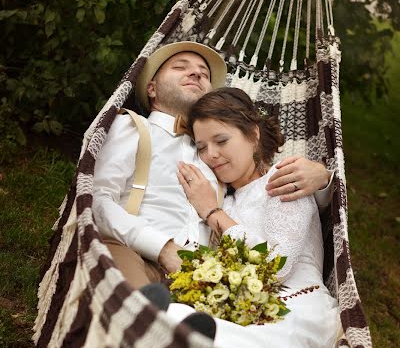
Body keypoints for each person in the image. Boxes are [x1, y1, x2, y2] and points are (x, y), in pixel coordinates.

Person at [92, 41, 333, 292]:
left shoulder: (219, 166)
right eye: (180, 67)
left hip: (206, 280)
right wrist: (161, 247)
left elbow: (258, 194)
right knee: (133, 302)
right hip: (137, 255)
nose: (196, 73)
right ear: (151, 88)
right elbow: (95, 199)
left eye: (204, 73)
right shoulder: (131, 128)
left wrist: (323, 178)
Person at [167, 87, 339, 348]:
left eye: (221, 141)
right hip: (240, 307)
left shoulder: (283, 179)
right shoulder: (226, 202)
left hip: (293, 313)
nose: (211, 155)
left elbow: (274, 265)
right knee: (173, 320)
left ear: (253, 134)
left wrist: (211, 211)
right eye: (201, 146)